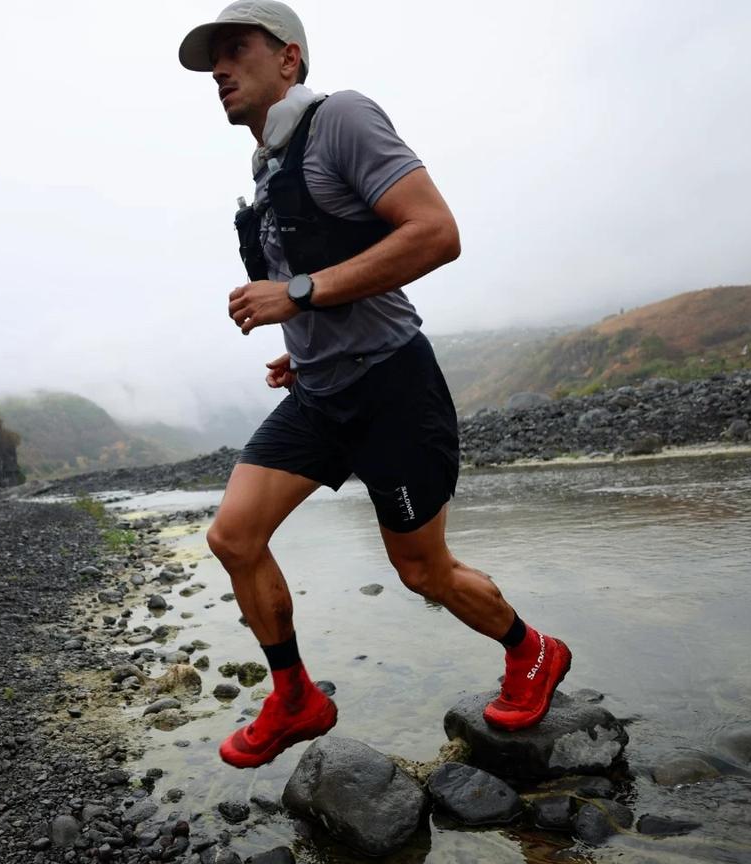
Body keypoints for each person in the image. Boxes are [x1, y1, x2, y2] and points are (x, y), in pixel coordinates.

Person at [178, 2, 574, 768]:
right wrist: (303, 344)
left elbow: (436, 233)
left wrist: (294, 298)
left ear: (289, 59)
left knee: (422, 569)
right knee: (233, 535)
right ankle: (296, 697)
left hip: (393, 385)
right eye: (212, 62)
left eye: (236, 50)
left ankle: (533, 650)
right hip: (322, 393)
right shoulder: (266, 170)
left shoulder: (343, 120)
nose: (220, 70)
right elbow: (321, 276)